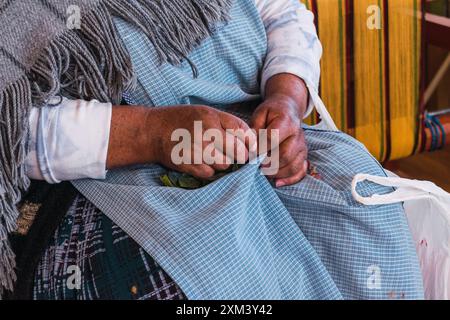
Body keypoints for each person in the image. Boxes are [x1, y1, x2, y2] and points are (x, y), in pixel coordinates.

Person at [0, 0, 423, 300]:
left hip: (249, 125)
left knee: (363, 202)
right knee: (214, 276)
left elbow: (283, 12)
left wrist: (286, 100)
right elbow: (12, 129)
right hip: (106, 175)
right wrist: (152, 133)